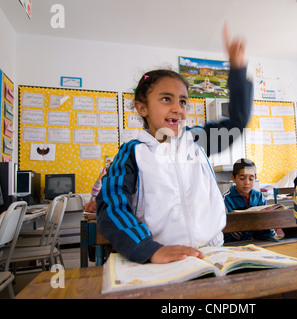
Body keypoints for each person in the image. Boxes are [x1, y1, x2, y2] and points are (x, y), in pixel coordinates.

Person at [97, 24, 253, 264]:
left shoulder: (197, 140)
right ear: (142, 108)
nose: (177, 108)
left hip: (210, 251)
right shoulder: (132, 153)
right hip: (159, 256)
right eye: (166, 99)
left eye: (182, 101)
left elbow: (238, 122)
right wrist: (147, 249)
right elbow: (111, 206)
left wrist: (238, 72)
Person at [222, 158, 277, 243]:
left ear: (255, 178)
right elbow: (227, 226)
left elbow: (265, 221)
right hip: (234, 241)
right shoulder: (226, 199)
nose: (247, 182)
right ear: (233, 177)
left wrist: (272, 235)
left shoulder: (259, 196)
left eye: (251, 179)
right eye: (242, 178)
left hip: (258, 239)